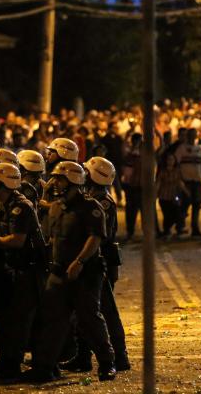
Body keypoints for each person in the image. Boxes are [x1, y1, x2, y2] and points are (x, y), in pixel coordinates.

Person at [27, 161, 116, 383]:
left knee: (89, 319)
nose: (55, 182)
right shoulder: (56, 207)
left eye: (60, 179)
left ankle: (107, 363)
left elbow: (95, 238)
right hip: (58, 273)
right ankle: (46, 366)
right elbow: (52, 238)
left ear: (74, 181)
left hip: (85, 273)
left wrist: (79, 261)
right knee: (53, 320)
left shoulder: (91, 207)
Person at [0, 162, 45, 379]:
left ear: (4, 183)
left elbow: (17, 240)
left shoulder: (20, 206)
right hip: (13, 269)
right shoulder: (4, 204)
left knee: (19, 319)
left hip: (27, 270)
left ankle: (14, 364)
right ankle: (6, 361)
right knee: (5, 317)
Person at [65, 157, 130, 373]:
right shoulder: (92, 197)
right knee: (87, 311)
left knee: (105, 312)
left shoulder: (103, 202)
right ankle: (83, 357)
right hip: (94, 261)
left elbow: (101, 237)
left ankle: (119, 356)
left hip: (101, 262)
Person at [173, 128, 201, 237]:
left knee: (197, 205)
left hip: (197, 181)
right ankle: (180, 226)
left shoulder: (199, 149)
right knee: (184, 205)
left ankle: (195, 228)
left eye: (194, 135)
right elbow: (176, 165)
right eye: (190, 135)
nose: (192, 137)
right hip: (186, 181)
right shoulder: (181, 149)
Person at [157, 154, 189, 239]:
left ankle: (176, 228)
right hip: (164, 196)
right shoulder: (162, 171)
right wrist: (155, 194)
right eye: (169, 159)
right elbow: (158, 183)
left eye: (172, 159)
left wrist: (186, 192)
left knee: (176, 213)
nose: (170, 161)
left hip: (174, 196)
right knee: (166, 214)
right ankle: (166, 231)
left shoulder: (177, 171)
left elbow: (180, 183)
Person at [120, 133, 143, 240]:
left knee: (142, 209)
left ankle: (145, 232)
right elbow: (123, 146)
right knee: (130, 209)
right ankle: (130, 231)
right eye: (137, 141)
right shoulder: (129, 152)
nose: (138, 143)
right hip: (130, 184)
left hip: (140, 184)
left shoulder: (143, 153)